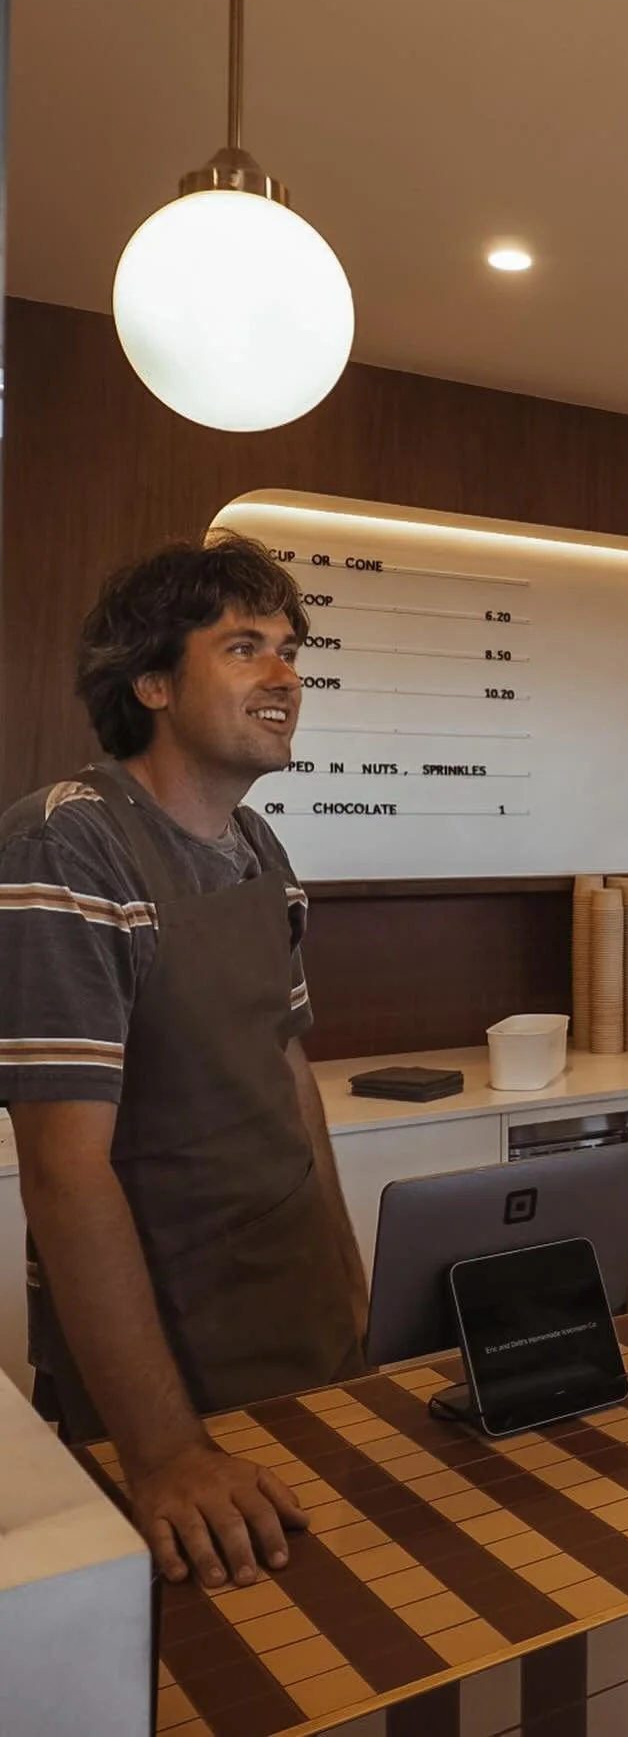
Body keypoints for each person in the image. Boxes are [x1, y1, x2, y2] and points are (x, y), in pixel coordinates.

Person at [0, 535, 368, 1590]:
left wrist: (346, 1280)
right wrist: (164, 1454)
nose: (286, 675)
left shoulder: (263, 851)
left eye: (290, 649)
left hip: (296, 1328)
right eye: (245, 647)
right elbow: (66, 1170)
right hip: (165, 1371)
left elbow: (288, 1074)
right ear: (151, 680)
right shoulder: (67, 846)